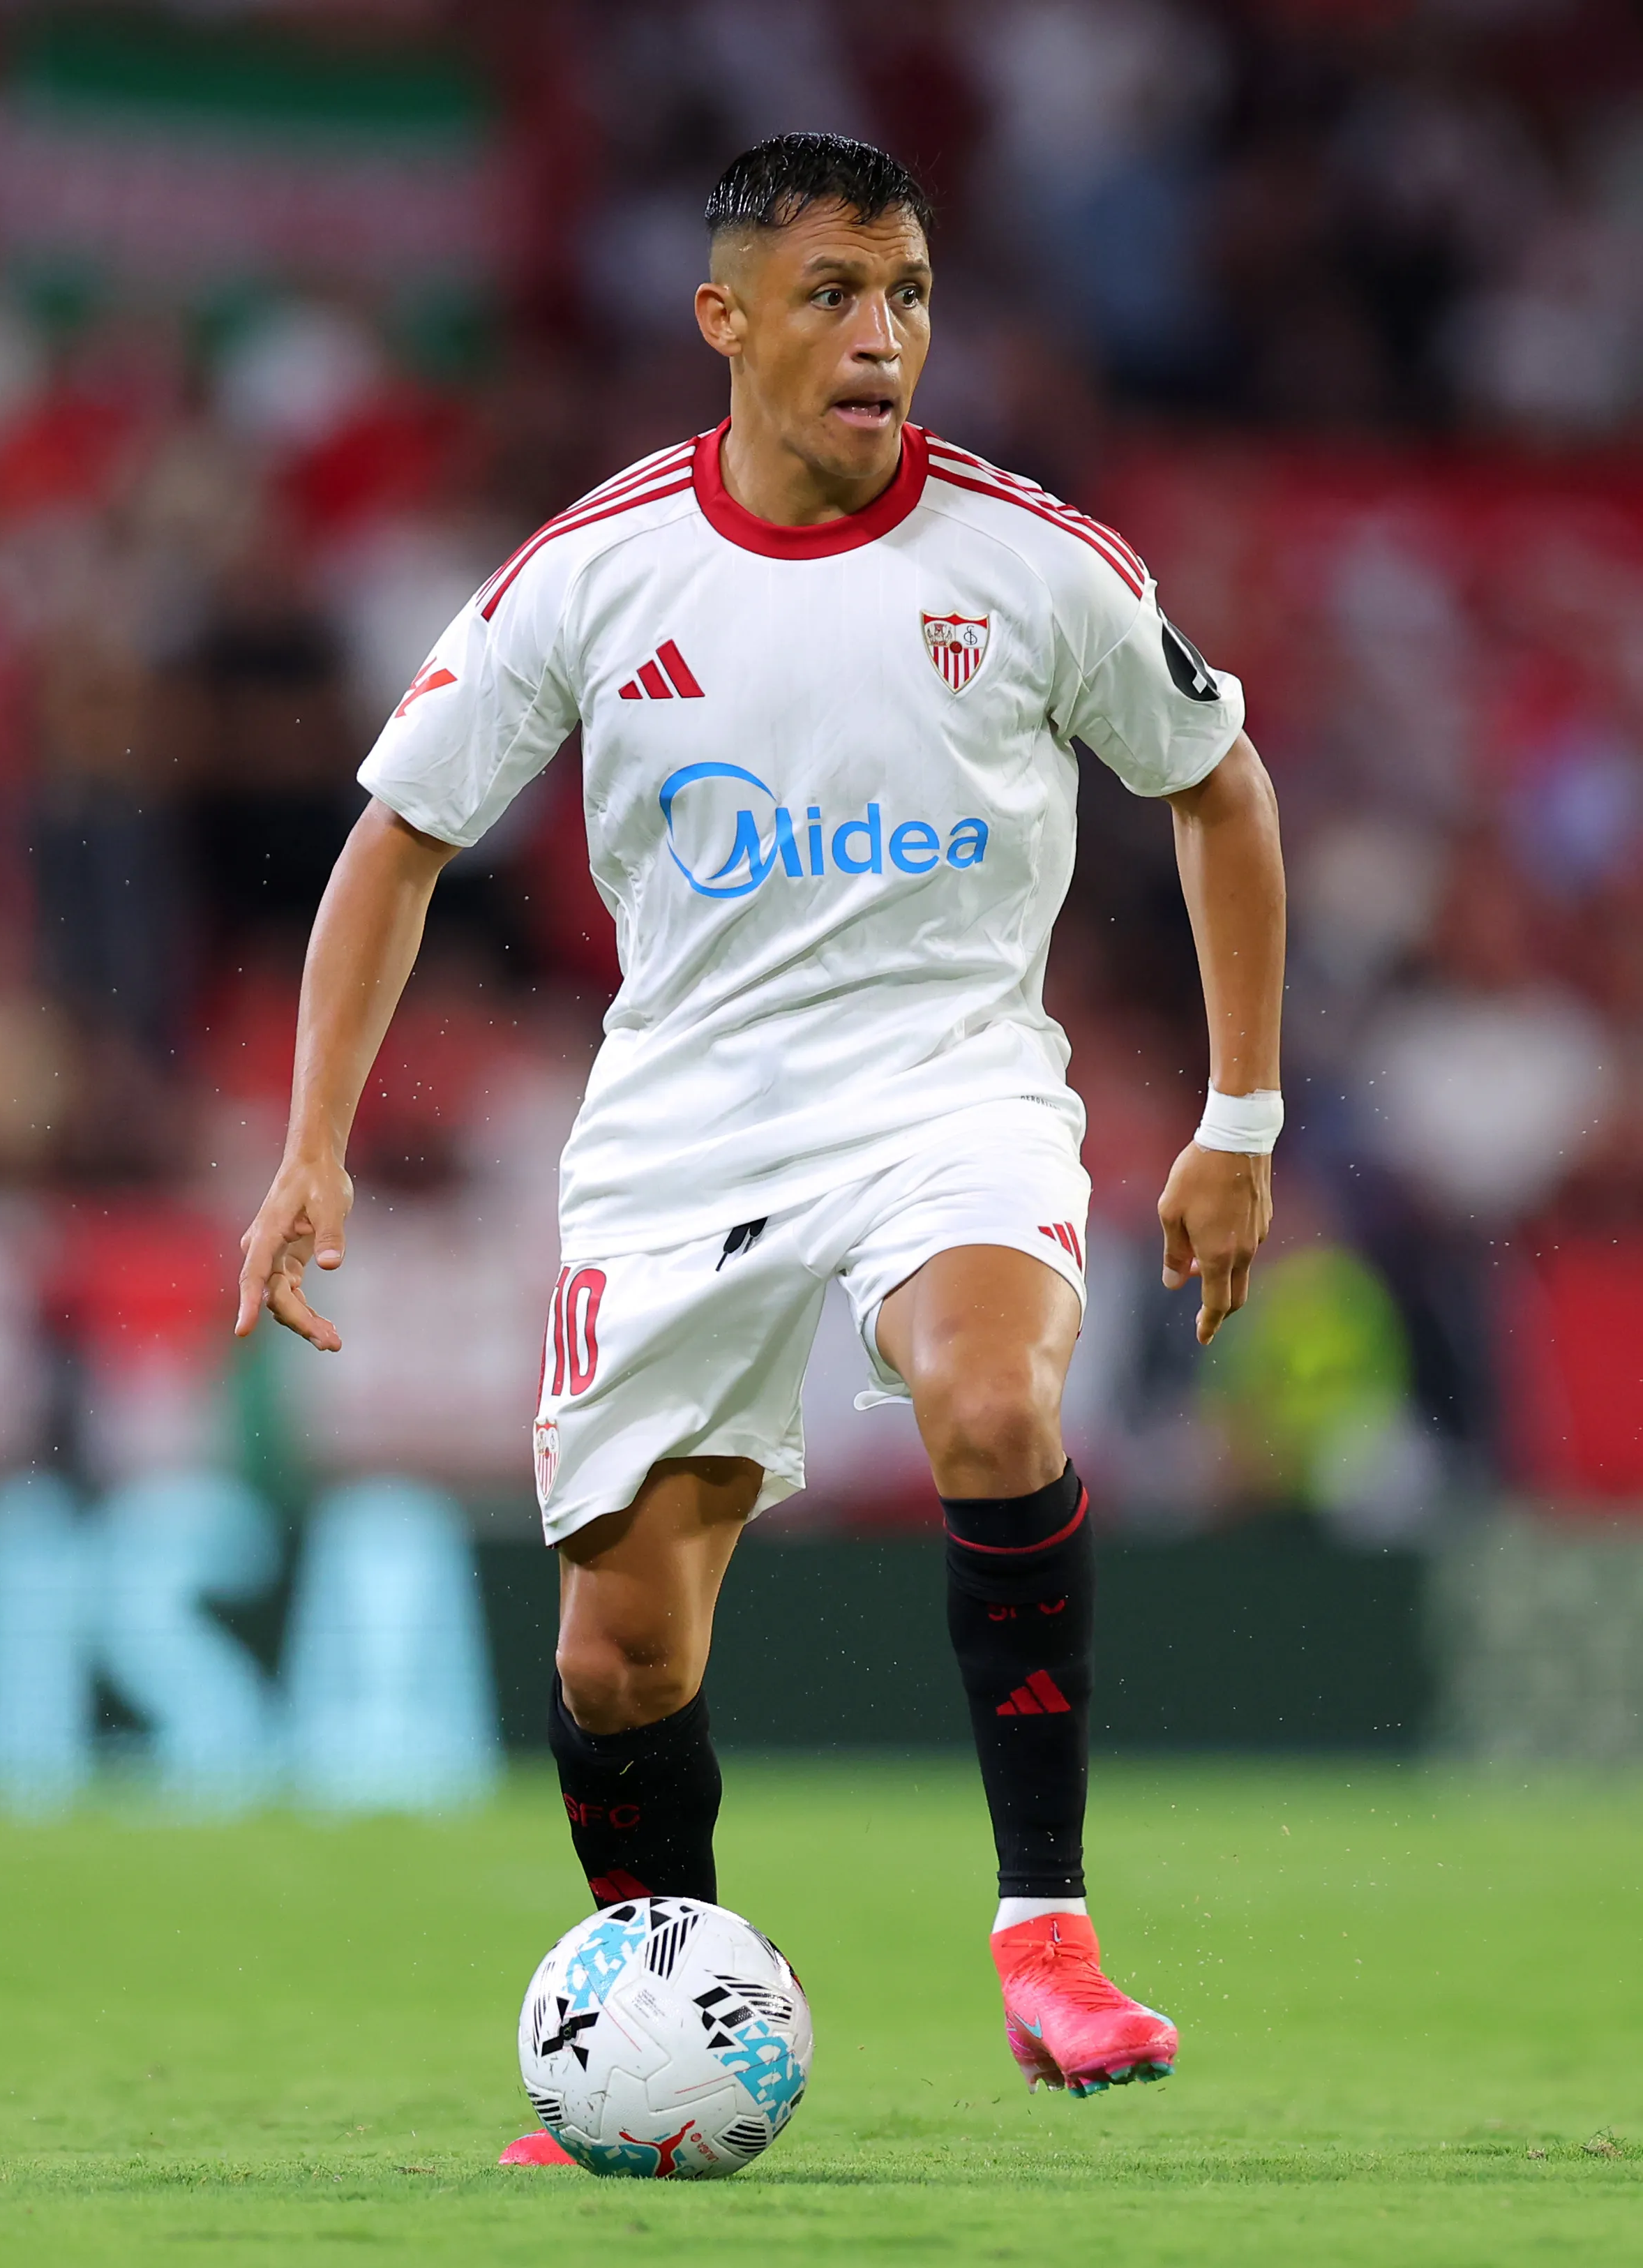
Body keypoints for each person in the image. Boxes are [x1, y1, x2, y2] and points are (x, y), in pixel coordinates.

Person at [235, 134, 1284, 2156]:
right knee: (623, 1651)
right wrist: (310, 1149)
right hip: (680, 1129)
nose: (880, 334)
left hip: (951, 1092)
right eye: (830, 294)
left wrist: (1236, 1120)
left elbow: (1219, 787)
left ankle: (1048, 1938)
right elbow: (397, 843)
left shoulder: (1037, 562)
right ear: (724, 319)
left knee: (994, 1405)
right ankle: (661, 2011)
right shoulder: (601, 568)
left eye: (904, 293)